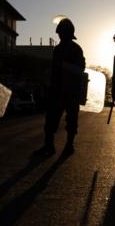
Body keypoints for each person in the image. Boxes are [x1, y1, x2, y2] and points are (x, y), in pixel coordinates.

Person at [33, 18, 86, 156]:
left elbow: (80, 69)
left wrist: (63, 65)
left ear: (66, 33)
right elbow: (55, 70)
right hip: (57, 89)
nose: (59, 35)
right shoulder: (58, 48)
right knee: (51, 119)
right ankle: (49, 145)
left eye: (61, 33)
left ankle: (69, 145)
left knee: (71, 119)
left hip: (71, 90)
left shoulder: (76, 49)